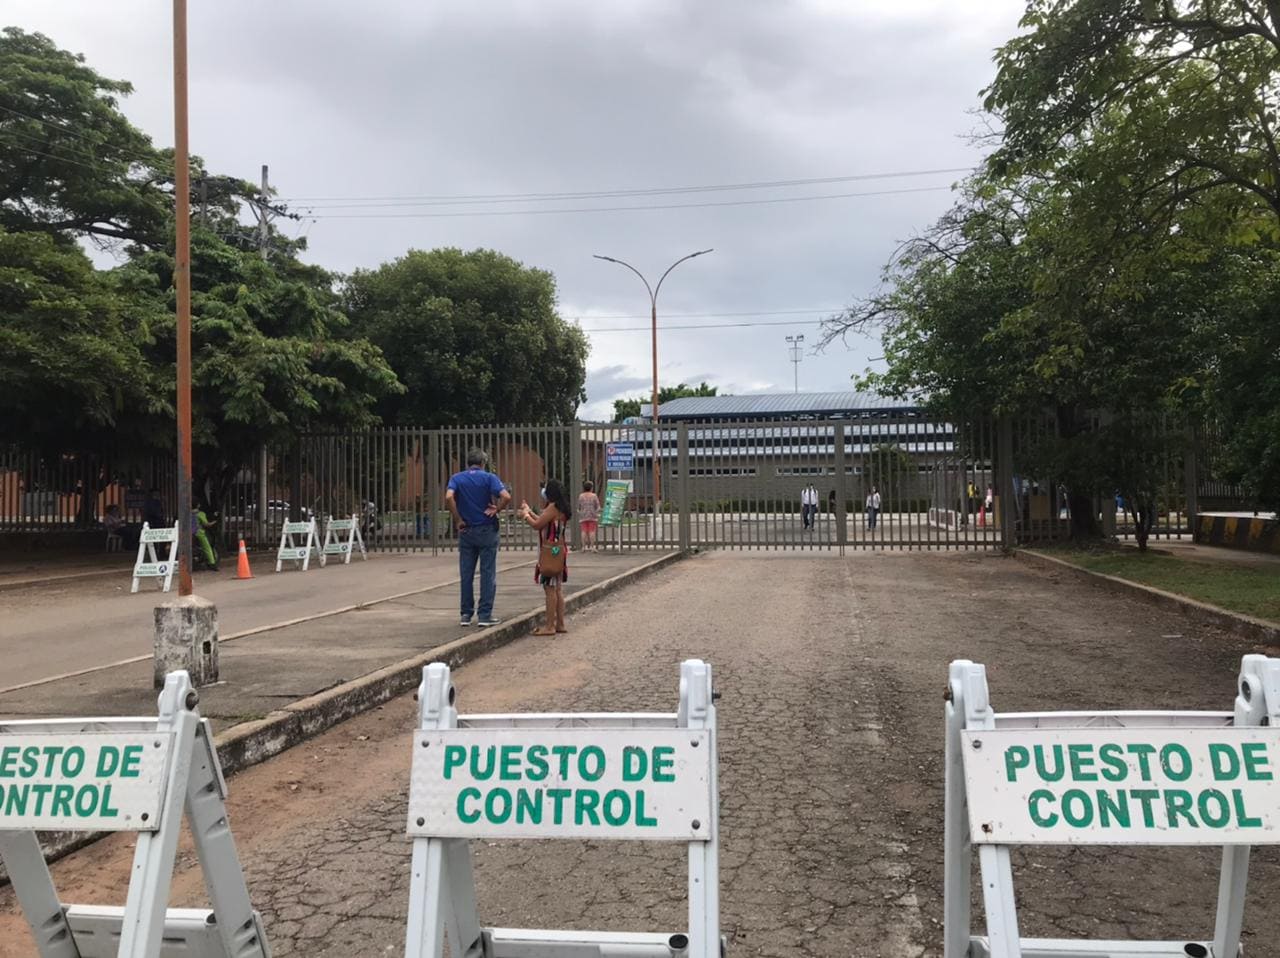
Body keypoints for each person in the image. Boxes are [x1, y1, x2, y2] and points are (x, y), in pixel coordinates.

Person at [446, 449, 511, 627]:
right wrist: (497, 509)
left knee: (466, 574)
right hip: (486, 528)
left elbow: (449, 497)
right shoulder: (489, 478)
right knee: (487, 572)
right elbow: (506, 496)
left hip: (466, 530)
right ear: (483, 463)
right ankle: (484, 615)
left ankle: (465, 614)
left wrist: (458, 518)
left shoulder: (457, 478)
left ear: (467, 463)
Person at [519, 479, 571, 636]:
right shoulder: (561, 508)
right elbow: (544, 521)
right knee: (558, 589)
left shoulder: (552, 507)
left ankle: (549, 626)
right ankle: (560, 623)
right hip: (559, 551)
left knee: (549, 589)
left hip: (549, 553)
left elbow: (537, 525)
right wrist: (530, 512)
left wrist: (525, 516)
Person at [192, 500, 218, 571]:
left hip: (189, 533)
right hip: (199, 533)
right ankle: (212, 564)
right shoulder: (200, 514)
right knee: (207, 548)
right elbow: (206, 524)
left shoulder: (187, 514)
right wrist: (214, 522)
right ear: (198, 505)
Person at [577, 481, 601, 552]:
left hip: (583, 515)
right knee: (592, 531)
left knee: (583, 531)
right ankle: (592, 547)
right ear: (591, 488)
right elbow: (598, 506)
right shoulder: (594, 496)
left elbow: (579, 506)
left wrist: (580, 511)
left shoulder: (581, 496)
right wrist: (596, 512)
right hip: (592, 515)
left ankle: (583, 547)